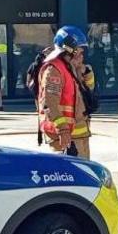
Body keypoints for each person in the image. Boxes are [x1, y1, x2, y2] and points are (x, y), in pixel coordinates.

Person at [37, 26, 91, 159]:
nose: (81, 51)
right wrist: (63, 129)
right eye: (79, 47)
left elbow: (87, 92)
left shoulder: (69, 67)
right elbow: (49, 102)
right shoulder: (53, 69)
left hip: (78, 135)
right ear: (69, 47)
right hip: (66, 137)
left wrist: (79, 70)